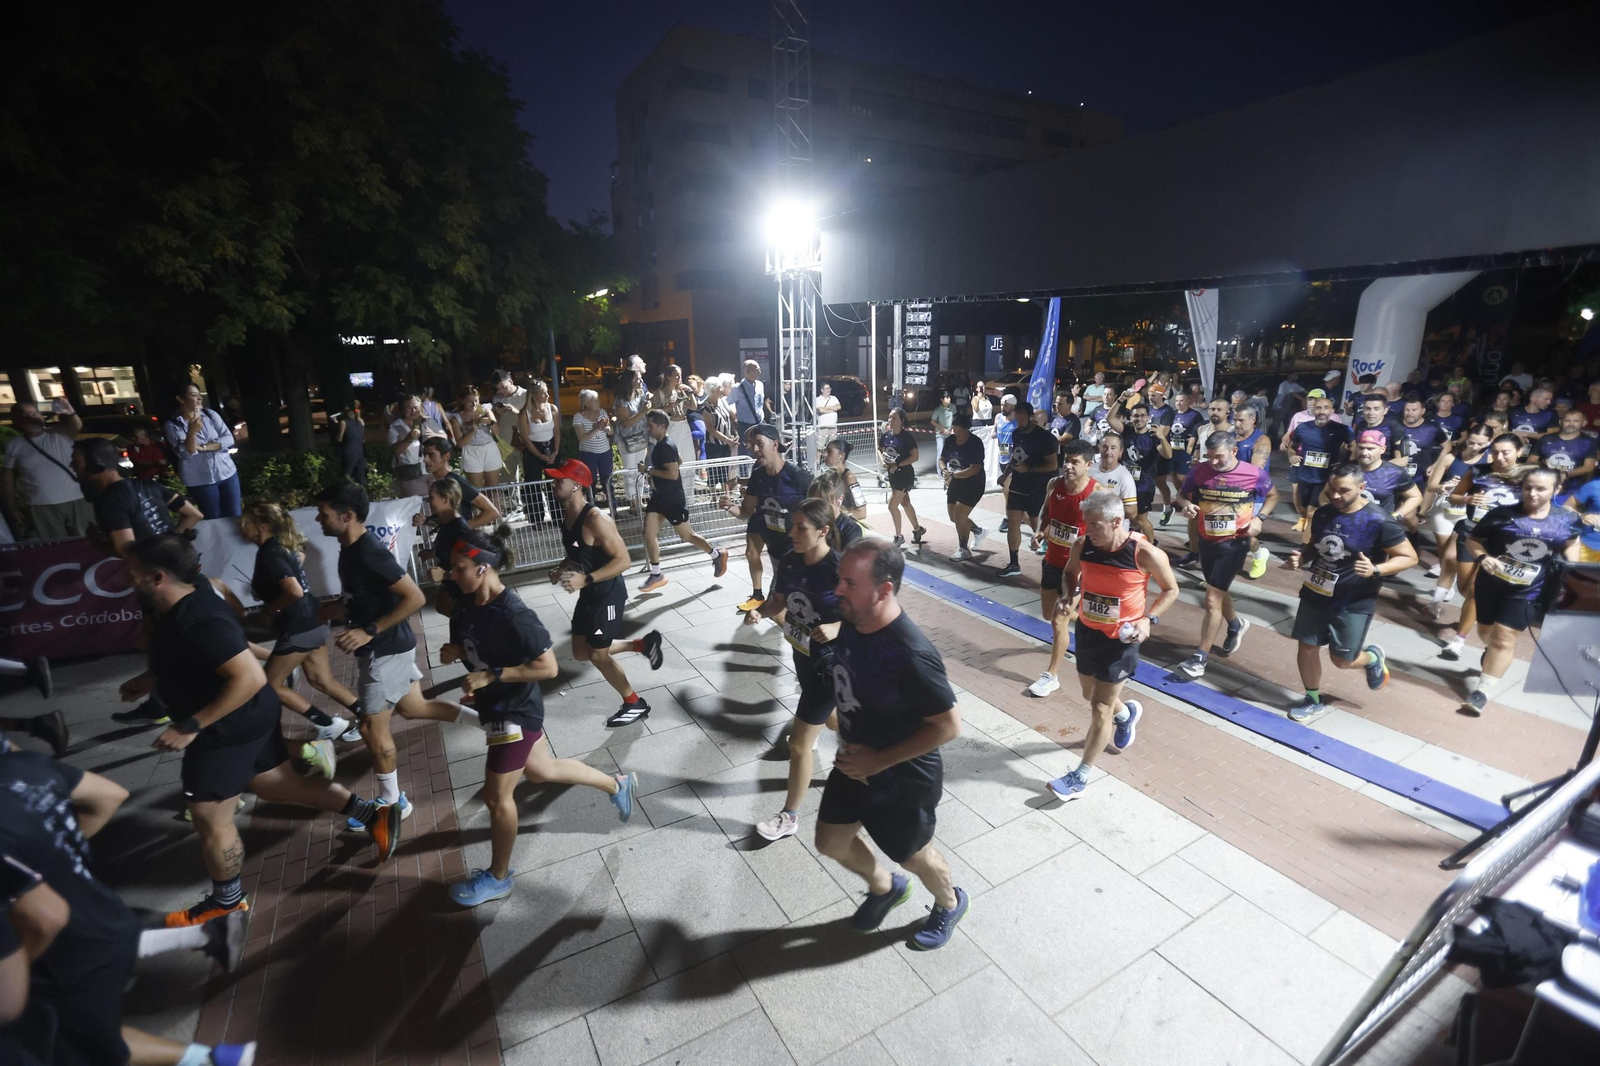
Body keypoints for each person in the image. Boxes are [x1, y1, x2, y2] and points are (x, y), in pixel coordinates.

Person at [116, 535, 401, 931]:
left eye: (133, 574)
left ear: (158, 576)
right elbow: (199, 647)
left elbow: (247, 676)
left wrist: (191, 725)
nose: (127, 580)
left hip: (224, 728)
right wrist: (151, 679)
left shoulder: (197, 619)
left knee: (209, 817)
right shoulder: (191, 594)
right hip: (246, 719)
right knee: (277, 784)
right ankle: (373, 814)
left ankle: (227, 903)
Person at [396, 528, 638, 906]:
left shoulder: (515, 614)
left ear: (483, 568)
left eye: (459, 568)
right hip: (495, 706)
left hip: (515, 712)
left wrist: (492, 674)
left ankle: (498, 877)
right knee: (542, 771)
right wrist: (455, 650)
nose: (451, 575)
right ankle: (617, 785)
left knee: (496, 799)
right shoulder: (465, 601)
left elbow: (548, 668)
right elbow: (473, 645)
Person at [0, 746, 259, 1066]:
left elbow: (46, 921)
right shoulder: (27, 766)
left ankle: (216, 1059)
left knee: (75, 1048)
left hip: (70, 955)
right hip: (100, 915)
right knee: (87, 1041)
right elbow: (109, 795)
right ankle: (217, 1053)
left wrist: (17, 969)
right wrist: (60, 855)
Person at [815, 540, 969, 950]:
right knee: (830, 842)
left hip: (901, 779)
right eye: (838, 579)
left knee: (915, 857)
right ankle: (885, 888)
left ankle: (950, 903)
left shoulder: (912, 654)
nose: (838, 590)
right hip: (855, 764)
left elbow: (949, 725)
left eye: (849, 582)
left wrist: (879, 760)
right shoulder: (853, 619)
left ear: (884, 591)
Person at [1047, 489, 1179, 800]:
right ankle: (1126, 715)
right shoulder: (1084, 545)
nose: (1087, 530)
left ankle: (1080, 776)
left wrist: (1149, 620)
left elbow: (1171, 589)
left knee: (1099, 707)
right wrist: (1068, 596)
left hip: (1122, 640)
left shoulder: (1144, 553)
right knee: (1088, 694)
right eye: (1086, 523)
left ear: (1116, 521)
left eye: (1094, 524)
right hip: (1089, 631)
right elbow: (1070, 574)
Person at [313, 481, 428, 824]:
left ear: (347, 516)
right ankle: (477, 718)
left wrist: (368, 631)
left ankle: (392, 804)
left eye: (324, 514)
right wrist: (319, 613)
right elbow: (357, 601)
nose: (319, 520)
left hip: (385, 652)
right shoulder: (350, 550)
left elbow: (416, 597)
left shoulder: (368, 552)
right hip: (389, 648)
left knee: (370, 728)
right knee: (413, 707)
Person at [1281, 464, 1415, 722]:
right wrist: (1301, 558)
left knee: (1342, 661)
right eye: (1332, 489)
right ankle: (1312, 698)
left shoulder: (1379, 520)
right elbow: (1314, 546)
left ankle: (1372, 658)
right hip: (1316, 590)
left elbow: (1409, 557)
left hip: (1353, 601)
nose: (1335, 496)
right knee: (1307, 646)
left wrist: (1376, 569)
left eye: (1343, 491)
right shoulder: (1323, 514)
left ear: (1361, 488)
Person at [747, 499, 843, 842]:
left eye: (801, 527)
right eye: (793, 526)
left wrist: (836, 628)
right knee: (832, 719)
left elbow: (869, 615)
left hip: (833, 664)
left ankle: (789, 817)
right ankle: (866, 753)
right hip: (803, 654)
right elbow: (779, 600)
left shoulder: (840, 569)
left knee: (799, 744)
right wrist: (761, 610)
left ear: (823, 531)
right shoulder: (789, 561)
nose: (793, 533)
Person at [542, 459, 663, 725]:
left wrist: (586, 579)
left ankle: (635, 703)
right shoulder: (568, 515)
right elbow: (576, 550)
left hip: (607, 595)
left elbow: (624, 561)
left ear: (576, 486)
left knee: (598, 655)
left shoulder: (597, 519)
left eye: (558, 480)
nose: (553, 484)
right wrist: (559, 569)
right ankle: (642, 644)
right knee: (581, 651)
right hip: (590, 594)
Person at [1458, 468, 1580, 715]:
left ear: (1556, 490)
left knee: (1504, 638)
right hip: (1491, 583)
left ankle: (1482, 692)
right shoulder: (1501, 514)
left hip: (1530, 589)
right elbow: (1473, 540)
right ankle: (1490, 650)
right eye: (1528, 487)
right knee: (1486, 633)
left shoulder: (1565, 520)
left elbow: (1572, 542)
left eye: (1541, 489)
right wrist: (1483, 557)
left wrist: (1571, 572)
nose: (1532, 493)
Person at [239, 502, 354, 750]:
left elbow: (293, 590)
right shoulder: (281, 546)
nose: (241, 527)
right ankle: (368, 715)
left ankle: (327, 723)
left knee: (269, 687)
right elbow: (298, 559)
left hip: (298, 626)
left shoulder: (271, 551)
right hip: (314, 619)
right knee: (321, 680)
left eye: (246, 523)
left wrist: (271, 610)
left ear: (262, 527)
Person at [1174, 431, 1277, 678]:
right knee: (1216, 591)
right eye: (1210, 457)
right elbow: (1181, 494)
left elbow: (1273, 495)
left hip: (1235, 544)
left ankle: (1200, 658)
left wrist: (1260, 519)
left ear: (1233, 451)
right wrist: (1186, 505)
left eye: (1218, 457)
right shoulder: (1200, 471)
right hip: (1207, 541)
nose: (1214, 462)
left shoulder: (1253, 474)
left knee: (1211, 599)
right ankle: (1235, 624)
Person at [1437, 434, 1530, 660]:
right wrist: (1467, 500)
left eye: (1505, 452)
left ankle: (1458, 641)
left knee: (1474, 592)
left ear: (1519, 452)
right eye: (1495, 451)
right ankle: (1485, 618)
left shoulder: (1528, 476)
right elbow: (1454, 497)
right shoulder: (1478, 471)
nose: (1499, 457)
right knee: (1464, 588)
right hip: (1472, 533)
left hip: (1502, 540)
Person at [1026, 439, 1098, 697]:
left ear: (1089, 465)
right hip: (1052, 560)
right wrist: (1040, 533)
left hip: (1077, 567)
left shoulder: (1097, 493)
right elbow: (1048, 515)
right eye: (1066, 460)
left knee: (1059, 619)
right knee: (1048, 613)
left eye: (1075, 462)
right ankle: (1096, 626)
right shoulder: (1054, 485)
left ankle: (1051, 676)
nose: (1068, 466)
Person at [722, 425, 814, 610]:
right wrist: (729, 506)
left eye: (759, 444)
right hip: (775, 549)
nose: (755, 450)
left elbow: (820, 511)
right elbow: (746, 513)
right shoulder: (758, 476)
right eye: (752, 445)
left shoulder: (799, 477)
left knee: (777, 606)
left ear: (774, 444)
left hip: (796, 551)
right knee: (788, 609)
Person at [637, 410, 730, 591]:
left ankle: (716, 555)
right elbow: (678, 460)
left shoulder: (666, 446)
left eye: (650, 425)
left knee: (687, 535)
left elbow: (673, 474)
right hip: (659, 497)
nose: (648, 429)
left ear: (661, 426)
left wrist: (648, 470)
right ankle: (656, 574)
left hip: (672, 499)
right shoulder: (664, 444)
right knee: (648, 534)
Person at [73, 438, 203, 557]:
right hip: (178, 561)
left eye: (77, 461)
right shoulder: (149, 485)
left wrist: (97, 543)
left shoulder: (109, 501)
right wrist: (173, 541)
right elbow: (194, 514)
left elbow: (126, 550)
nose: (71, 465)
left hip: (155, 574)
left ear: (96, 463)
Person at [3, 399, 94, 540]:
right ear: (17, 420)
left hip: (76, 500)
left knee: (88, 541)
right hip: (40, 506)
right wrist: (11, 506)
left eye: (34, 413)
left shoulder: (59, 433)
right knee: (56, 548)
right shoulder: (14, 445)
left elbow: (76, 425)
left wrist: (70, 412)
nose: (31, 418)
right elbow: (7, 476)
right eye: (25, 415)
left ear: (41, 416)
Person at [994, 400, 1060, 576]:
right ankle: (1014, 564)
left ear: (1030, 417)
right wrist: (1006, 473)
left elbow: (1053, 466)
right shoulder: (1016, 434)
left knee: (1037, 525)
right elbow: (1015, 457)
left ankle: (1055, 559)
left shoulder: (1044, 437)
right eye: (1018, 414)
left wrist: (1029, 469)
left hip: (1037, 486)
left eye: (1023, 415)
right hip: (1018, 484)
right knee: (1013, 520)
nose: (1020, 418)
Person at [161, 384, 241, 520]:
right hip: (200, 479)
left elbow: (229, 439)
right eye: (193, 395)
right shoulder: (173, 425)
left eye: (199, 394)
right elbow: (188, 452)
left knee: (235, 514)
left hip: (226, 472)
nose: (199, 398)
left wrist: (203, 447)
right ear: (180, 399)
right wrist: (192, 431)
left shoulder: (210, 415)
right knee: (213, 517)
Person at [1283, 392, 1353, 533]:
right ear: (1313, 410)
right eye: (1318, 408)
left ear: (1332, 411)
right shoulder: (1303, 428)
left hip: (1325, 478)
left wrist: (1346, 464)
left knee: (1312, 512)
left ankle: (1309, 543)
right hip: (1304, 475)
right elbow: (1291, 447)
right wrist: (1291, 456)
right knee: (1302, 508)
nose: (1322, 411)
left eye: (1326, 408)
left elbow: (1354, 446)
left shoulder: (1341, 429)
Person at [1105, 399, 1170, 544]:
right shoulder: (1127, 431)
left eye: (1142, 416)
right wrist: (1120, 399)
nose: (1138, 419)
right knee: (1125, 516)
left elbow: (1168, 455)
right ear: (1131, 417)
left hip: (1144, 485)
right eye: (1135, 416)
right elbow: (1109, 418)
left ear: (1147, 418)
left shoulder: (1153, 436)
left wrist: (1162, 438)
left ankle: (1152, 546)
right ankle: (1132, 542)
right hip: (1125, 483)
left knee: (1141, 519)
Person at [1327, 430, 1423, 521]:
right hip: (1347, 523)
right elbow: (1325, 493)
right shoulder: (1345, 469)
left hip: (1378, 526)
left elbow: (1416, 497)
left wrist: (1396, 516)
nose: (1364, 453)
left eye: (1370, 449)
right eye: (1361, 448)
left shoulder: (1394, 473)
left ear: (1382, 449)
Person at [420, 437, 502, 531]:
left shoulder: (457, 482)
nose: (425, 460)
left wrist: (462, 529)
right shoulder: (440, 482)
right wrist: (427, 520)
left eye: (431, 455)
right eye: (424, 455)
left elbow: (492, 512)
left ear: (446, 456)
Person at [940, 411, 990, 560]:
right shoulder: (950, 441)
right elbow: (942, 459)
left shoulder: (975, 443)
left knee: (959, 515)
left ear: (967, 429)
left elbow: (974, 469)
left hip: (973, 483)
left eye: (960, 431)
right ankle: (978, 530)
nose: (957, 434)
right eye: (955, 430)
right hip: (955, 481)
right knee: (953, 517)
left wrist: (953, 475)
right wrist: (944, 471)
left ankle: (963, 549)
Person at [876, 408, 926, 548]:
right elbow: (879, 449)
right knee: (905, 502)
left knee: (892, 505)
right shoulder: (886, 436)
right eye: (890, 418)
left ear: (901, 421)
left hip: (904, 475)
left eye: (894, 418)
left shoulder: (906, 438)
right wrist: (883, 461)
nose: (890, 421)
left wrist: (898, 464)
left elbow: (915, 457)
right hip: (893, 475)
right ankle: (918, 529)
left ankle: (899, 537)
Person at [517, 380, 560, 524]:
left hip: (550, 447)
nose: (547, 395)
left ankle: (557, 516)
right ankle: (537, 519)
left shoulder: (552, 408)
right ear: (534, 395)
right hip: (533, 450)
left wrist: (555, 451)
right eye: (543, 393)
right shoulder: (525, 413)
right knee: (533, 484)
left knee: (554, 483)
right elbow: (525, 437)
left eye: (547, 391)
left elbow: (557, 431)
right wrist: (539, 455)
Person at [388, 395, 445, 498]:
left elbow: (444, 437)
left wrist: (434, 434)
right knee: (418, 506)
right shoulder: (395, 427)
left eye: (416, 407)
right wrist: (408, 438)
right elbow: (396, 450)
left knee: (438, 502)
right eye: (409, 408)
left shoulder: (428, 422)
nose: (413, 411)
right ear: (402, 409)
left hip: (432, 470)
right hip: (411, 474)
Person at [447, 384, 502, 488]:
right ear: (462, 401)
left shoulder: (484, 410)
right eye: (470, 401)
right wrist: (473, 429)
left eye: (476, 400)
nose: (474, 404)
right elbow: (460, 443)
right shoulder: (457, 418)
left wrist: (490, 422)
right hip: (471, 451)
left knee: (493, 489)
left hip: (489, 449)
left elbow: (498, 432)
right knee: (477, 491)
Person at [614, 368, 651, 512]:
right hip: (627, 440)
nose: (641, 380)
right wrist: (643, 412)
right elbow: (625, 423)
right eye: (638, 378)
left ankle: (640, 500)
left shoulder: (641, 395)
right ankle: (632, 503)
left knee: (640, 470)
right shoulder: (621, 400)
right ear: (629, 381)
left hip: (641, 438)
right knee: (630, 471)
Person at [572, 389, 614, 504]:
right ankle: (590, 505)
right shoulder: (578, 417)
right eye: (595, 401)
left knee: (607, 478)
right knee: (590, 480)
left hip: (605, 452)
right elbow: (581, 437)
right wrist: (595, 429)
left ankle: (612, 505)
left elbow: (611, 432)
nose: (599, 402)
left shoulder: (603, 412)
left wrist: (606, 428)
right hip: (588, 454)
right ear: (586, 403)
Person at [489, 369, 529, 485]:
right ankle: (515, 504)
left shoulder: (525, 394)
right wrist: (497, 414)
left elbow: (533, 417)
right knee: (509, 480)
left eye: (503, 387)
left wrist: (516, 411)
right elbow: (493, 423)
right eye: (498, 389)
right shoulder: (497, 399)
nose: (501, 391)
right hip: (505, 443)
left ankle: (538, 503)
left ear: (511, 381)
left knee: (531, 478)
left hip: (524, 443)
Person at [1539, 408, 1597, 486]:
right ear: (1560, 422)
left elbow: (1589, 467)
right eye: (1567, 421)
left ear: (1584, 423)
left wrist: (1566, 474)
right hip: (1544, 481)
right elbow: (1532, 460)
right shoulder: (1546, 439)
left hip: (1573, 486)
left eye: (1576, 421)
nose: (1571, 424)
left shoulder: (1589, 442)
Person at [808, 468, 865, 548]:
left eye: (824, 502)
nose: (818, 507)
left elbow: (862, 512)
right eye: (814, 503)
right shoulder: (810, 523)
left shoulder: (851, 530)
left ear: (840, 499)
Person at [656, 365, 697, 470]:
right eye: (677, 376)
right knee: (675, 456)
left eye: (680, 375)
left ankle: (689, 485)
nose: (679, 378)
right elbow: (653, 413)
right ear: (669, 377)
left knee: (689, 457)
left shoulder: (680, 391)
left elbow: (693, 406)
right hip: (671, 425)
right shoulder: (659, 393)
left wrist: (690, 392)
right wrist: (668, 407)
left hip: (684, 424)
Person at [732, 359, 770, 453]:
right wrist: (735, 416)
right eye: (756, 369)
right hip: (745, 426)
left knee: (762, 451)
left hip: (760, 424)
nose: (759, 371)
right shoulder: (738, 388)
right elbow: (728, 403)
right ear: (747, 372)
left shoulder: (760, 385)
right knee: (747, 452)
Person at [824, 438, 866, 521]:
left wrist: (837, 516)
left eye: (829, 451)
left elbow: (862, 513)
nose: (825, 455)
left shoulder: (850, 478)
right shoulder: (830, 475)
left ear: (841, 456)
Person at [1565, 473, 1600, 563]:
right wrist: (1581, 516)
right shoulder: (1594, 486)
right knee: (1581, 576)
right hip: (1589, 546)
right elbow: (1565, 506)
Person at [330, 401, 367, 486]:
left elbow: (339, 438)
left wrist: (335, 423)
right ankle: (363, 493)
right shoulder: (360, 422)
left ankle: (343, 491)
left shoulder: (344, 422)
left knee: (346, 473)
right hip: (360, 452)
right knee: (360, 475)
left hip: (349, 451)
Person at [816, 382, 843, 457]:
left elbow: (838, 407)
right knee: (820, 446)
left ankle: (830, 461)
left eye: (829, 388)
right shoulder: (818, 399)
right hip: (823, 426)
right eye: (827, 388)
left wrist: (827, 408)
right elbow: (821, 410)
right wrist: (833, 409)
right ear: (822, 390)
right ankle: (817, 462)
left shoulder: (833, 398)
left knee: (832, 445)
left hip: (833, 426)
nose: (829, 390)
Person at [929, 391, 955, 468]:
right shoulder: (938, 410)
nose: (949, 399)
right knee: (940, 452)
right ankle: (941, 471)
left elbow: (955, 418)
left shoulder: (953, 407)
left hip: (950, 433)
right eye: (947, 398)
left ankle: (949, 469)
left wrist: (953, 429)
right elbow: (932, 421)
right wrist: (943, 429)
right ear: (942, 399)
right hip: (940, 434)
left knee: (950, 452)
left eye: (949, 397)